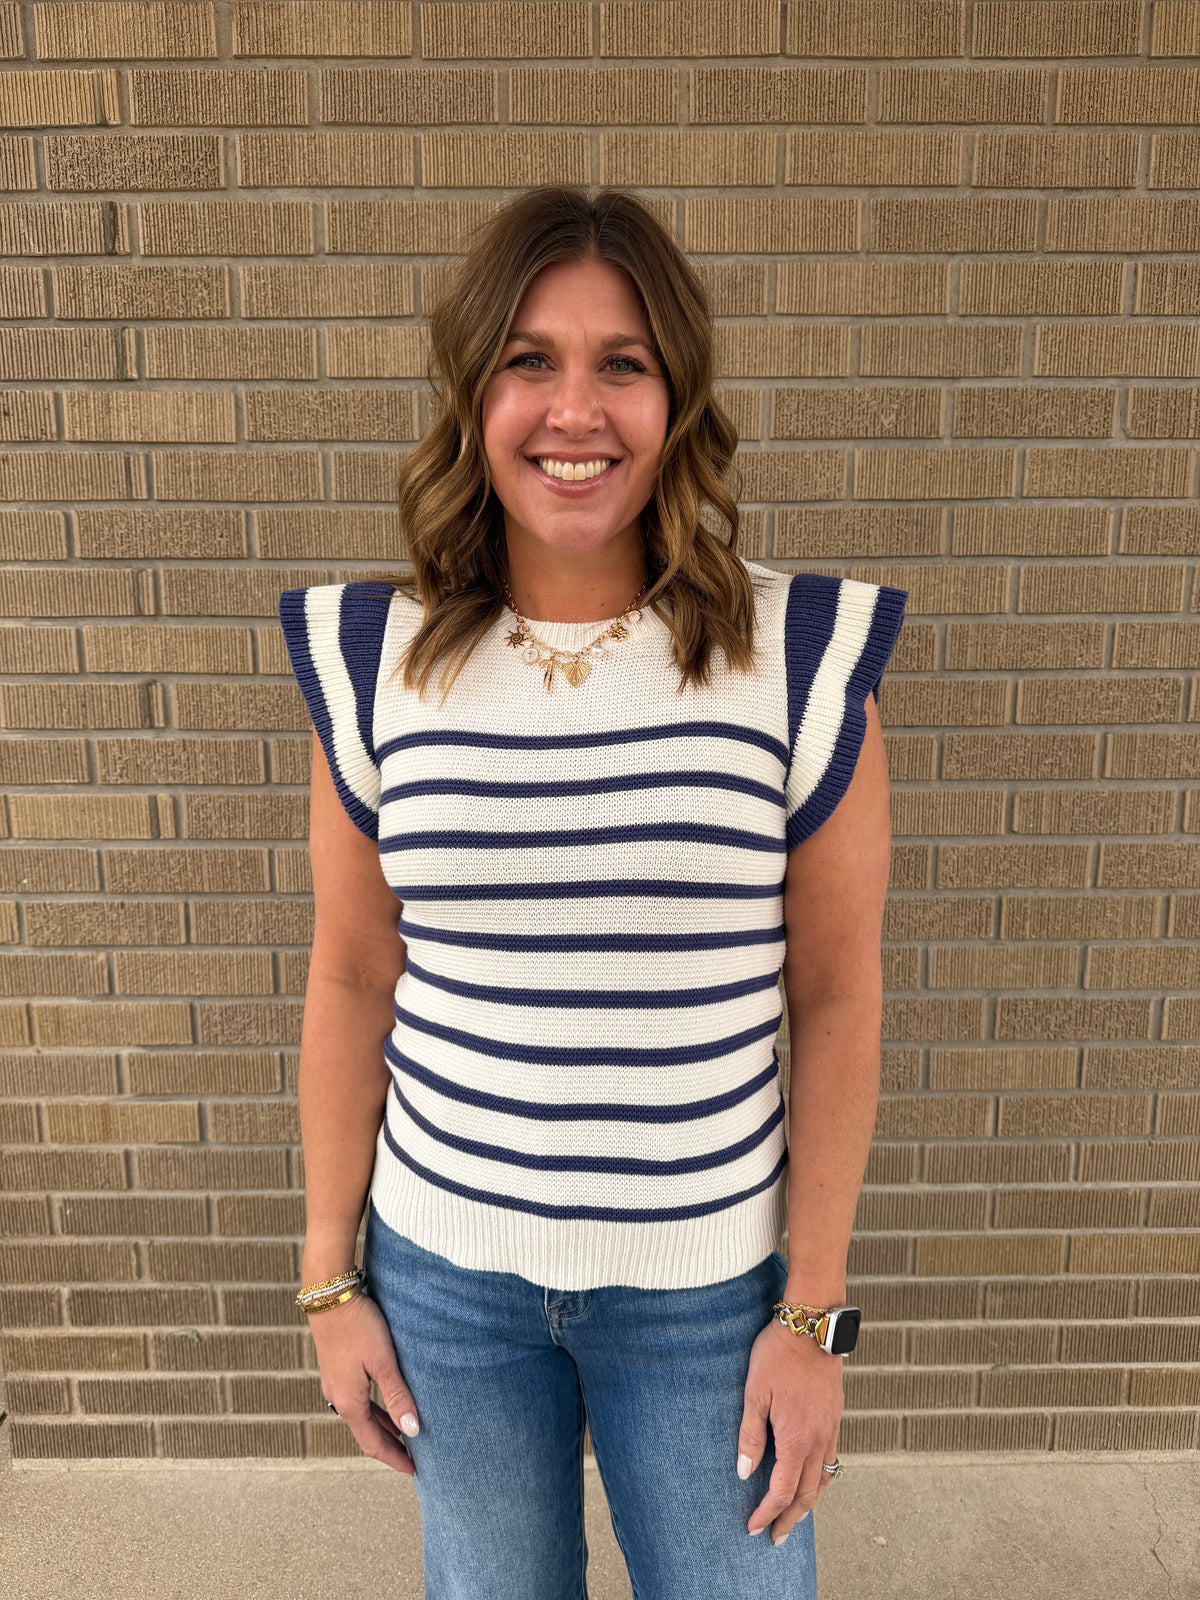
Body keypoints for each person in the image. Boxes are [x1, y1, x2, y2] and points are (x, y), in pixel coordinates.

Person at [278, 183, 907, 1600]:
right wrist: (331, 1281)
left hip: (708, 1297)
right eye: (529, 360)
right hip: (447, 1281)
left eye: (622, 363)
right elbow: (350, 976)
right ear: (472, 392)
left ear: (676, 396)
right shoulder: (375, 660)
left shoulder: (798, 660)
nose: (577, 410)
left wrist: (814, 1317)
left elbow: (838, 992)